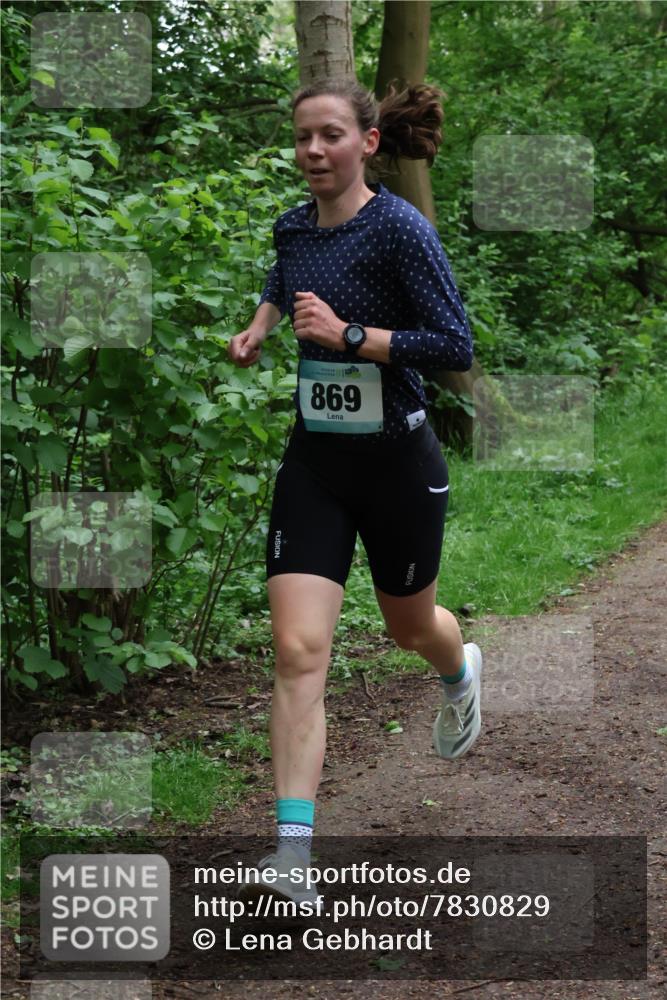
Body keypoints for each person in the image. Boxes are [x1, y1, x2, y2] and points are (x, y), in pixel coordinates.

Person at [230, 78, 483, 906]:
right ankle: (293, 854)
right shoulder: (292, 225)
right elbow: (283, 274)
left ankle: (458, 670)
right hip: (316, 463)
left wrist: (350, 336)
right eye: (302, 137)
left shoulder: (400, 230)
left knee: (409, 627)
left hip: (397, 460)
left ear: (367, 143)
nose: (312, 151)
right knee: (299, 651)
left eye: (329, 135)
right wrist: (261, 326)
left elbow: (453, 343)